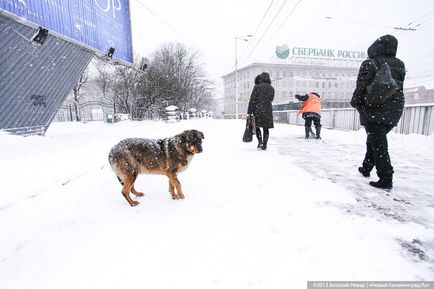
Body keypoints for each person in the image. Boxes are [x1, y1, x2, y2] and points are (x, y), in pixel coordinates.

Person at [350, 35, 406, 190]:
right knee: (375, 140)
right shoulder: (400, 64)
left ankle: (386, 178)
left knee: (379, 144)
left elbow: (361, 85)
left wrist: (355, 102)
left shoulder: (370, 62)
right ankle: (366, 167)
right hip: (395, 109)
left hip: (375, 107)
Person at [247, 72, 275, 150]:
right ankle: (265, 145)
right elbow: (271, 99)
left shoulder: (257, 87)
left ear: (261, 78)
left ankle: (260, 142)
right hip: (268, 110)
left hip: (258, 109)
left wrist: (249, 111)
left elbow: (252, 100)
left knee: (257, 126)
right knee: (266, 128)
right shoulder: (271, 88)